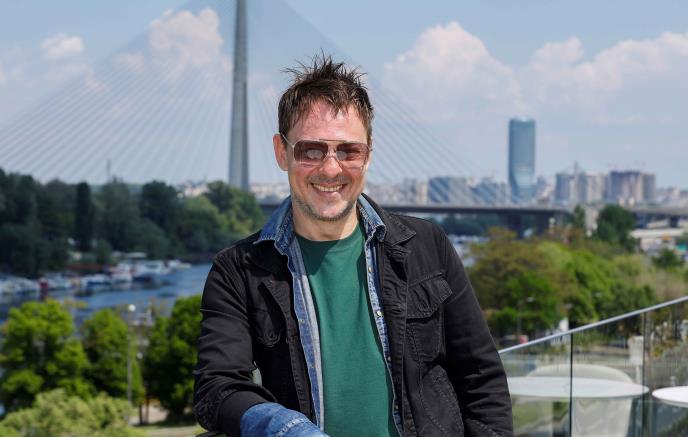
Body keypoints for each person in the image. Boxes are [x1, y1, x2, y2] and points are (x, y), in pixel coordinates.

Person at [194, 54, 513, 437]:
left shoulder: (427, 246)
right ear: (282, 152)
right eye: (311, 150)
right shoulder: (238, 271)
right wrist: (288, 429)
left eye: (349, 151)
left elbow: (480, 377)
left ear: (369, 153)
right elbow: (218, 388)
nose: (331, 168)